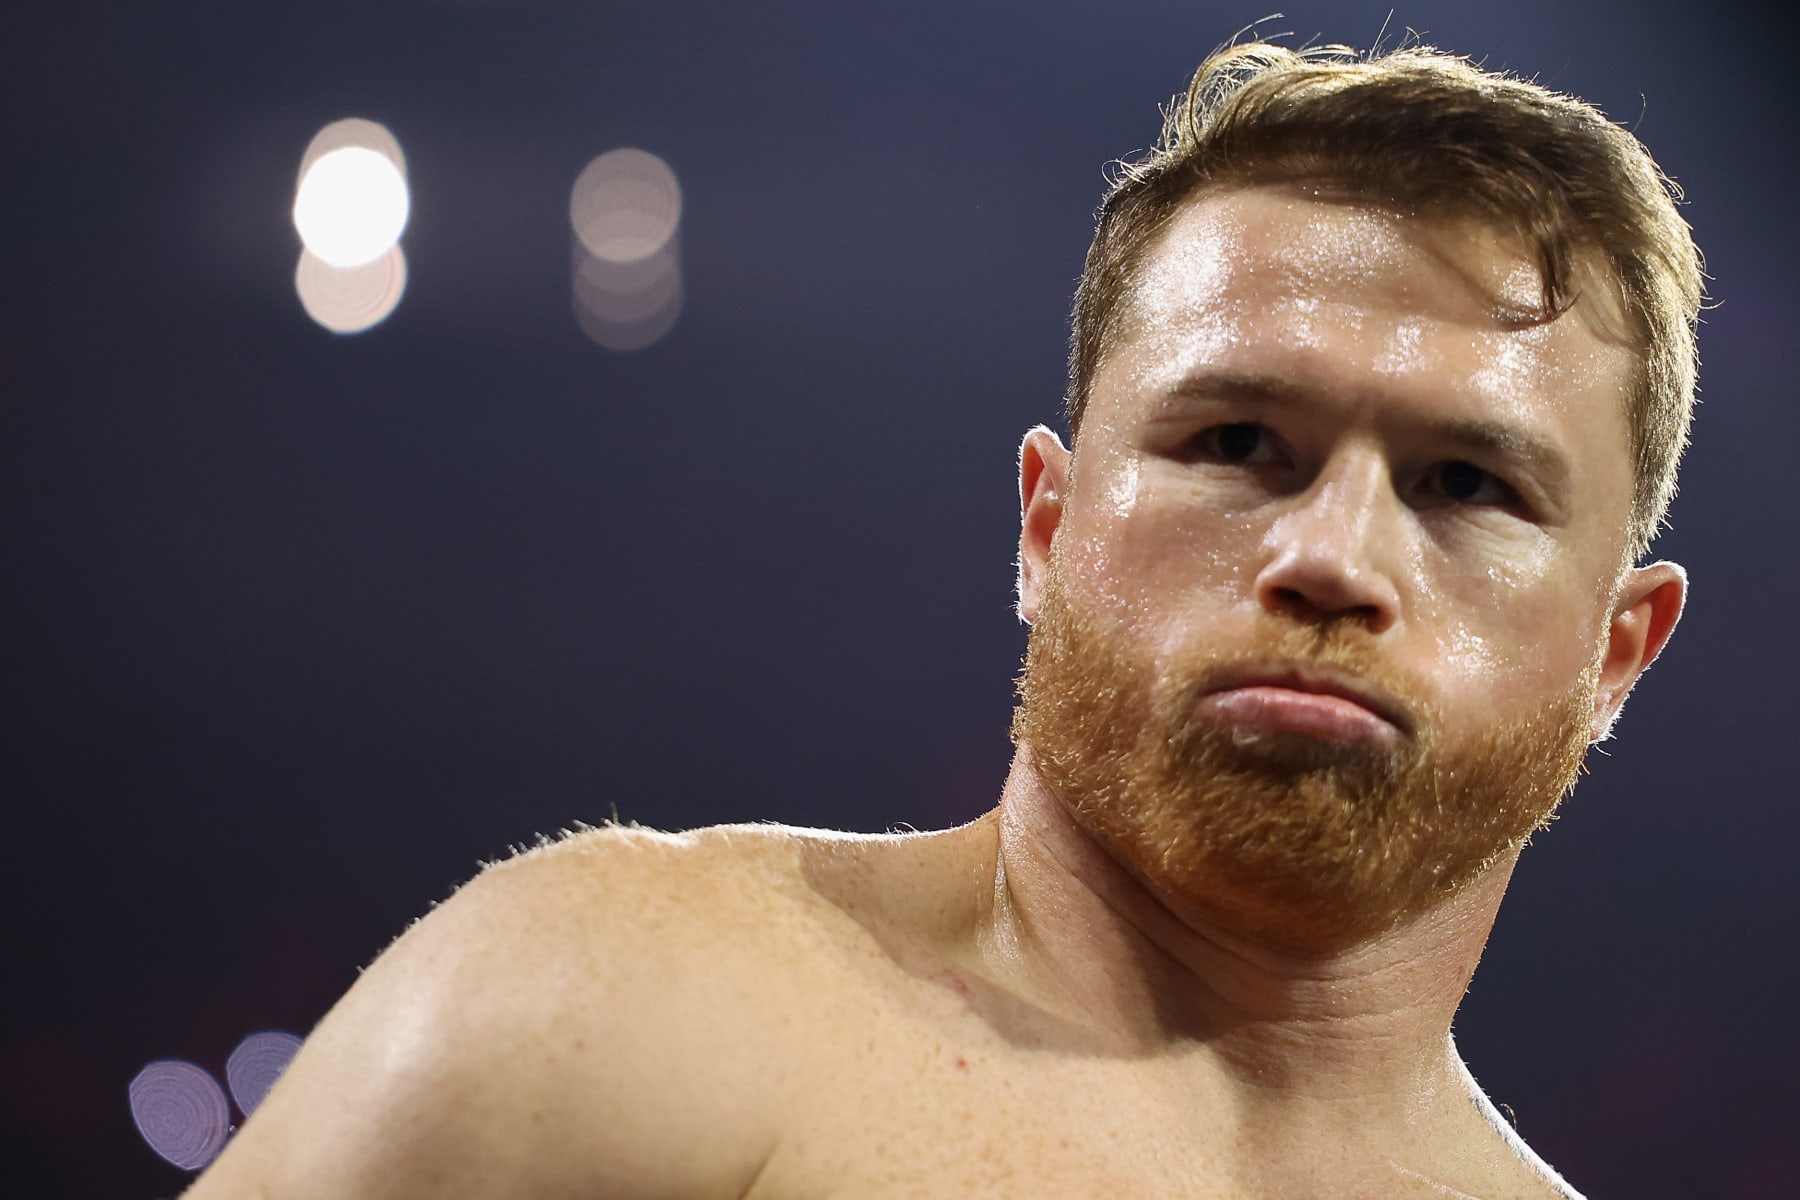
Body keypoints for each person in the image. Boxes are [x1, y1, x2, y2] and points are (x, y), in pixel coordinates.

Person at [186, 39, 1702, 1200]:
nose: (1332, 557)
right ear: (1046, 527)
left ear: (1616, 651)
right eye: (1238, 443)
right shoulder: (618, 1003)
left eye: (1468, 483)